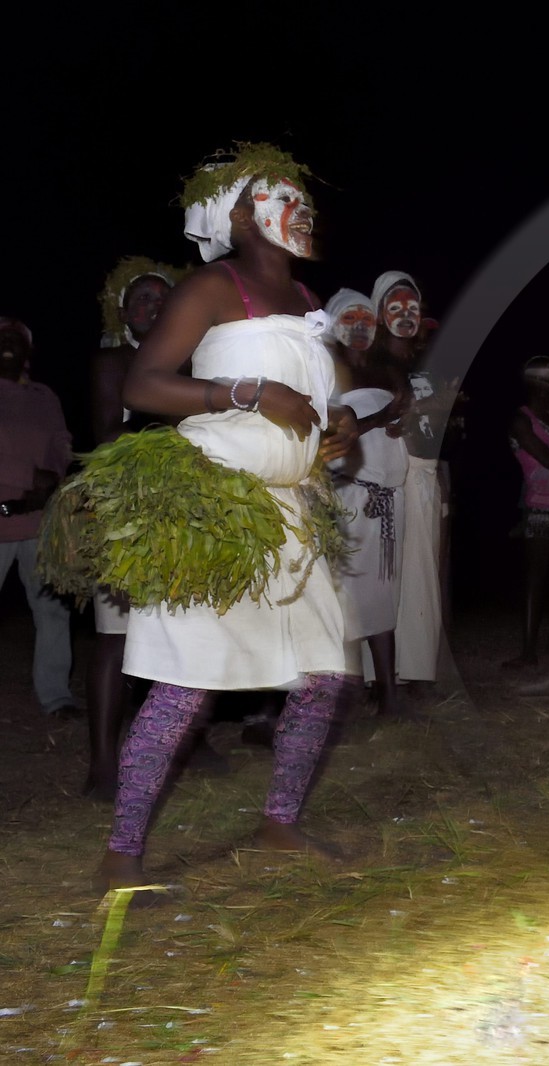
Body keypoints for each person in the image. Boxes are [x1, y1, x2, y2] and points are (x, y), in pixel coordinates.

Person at [94, 143, 359, 895]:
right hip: (218, 507)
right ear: (239, 214)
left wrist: (341, 428)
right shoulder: (214, 287)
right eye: (281, 195)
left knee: (320, 677)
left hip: (294, 512)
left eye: (305, 196)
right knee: (186, 682)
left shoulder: (310, 304)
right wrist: (247, 394)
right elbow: (145, 385)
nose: (300, 207)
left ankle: (280, 825)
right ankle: (122, 853)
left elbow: (323, 400)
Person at [84, 258, 200, 799]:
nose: (154, 306)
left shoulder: (192, 365)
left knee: (183, 625)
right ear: (125, 314)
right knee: (115, 633)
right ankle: (104, 761)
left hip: (181, 500)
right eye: (143, 300)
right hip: (128, 499)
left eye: (162, 298)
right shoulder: (116, 361)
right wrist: (177, 412)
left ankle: (184, 744)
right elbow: (109, 431)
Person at [326, 286, 410, 717]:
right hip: (348, 495)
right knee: (345, 597)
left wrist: (403, 416)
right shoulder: (328, 369)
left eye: (366, 320)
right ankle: (344, 696)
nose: (359, 327)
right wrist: (382, 418)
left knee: (382, 593)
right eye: (350, 319)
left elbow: (402, 409)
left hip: (390, 498)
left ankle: (390, 696)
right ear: (334, 324)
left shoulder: (387, 368)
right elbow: (335, 432)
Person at [0, 316, 78, 721]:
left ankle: (56, 695)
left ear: (29, 349)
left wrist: (58, 478)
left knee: (51, 610)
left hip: (39, 523)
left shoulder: (44, 396)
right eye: (0, 337)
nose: (7, 342)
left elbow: (61, 445)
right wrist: (24, 484)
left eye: (16, 337)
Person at [370, 270, 445, 695]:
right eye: (395, 308)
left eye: (412, 308)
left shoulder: (423, 366)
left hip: (426, 473)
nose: (405, 315)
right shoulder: (375, 364)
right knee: (390, 575)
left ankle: (415, 668)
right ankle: (385, 676)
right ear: (379, 315)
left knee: (422, 573)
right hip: (394, 475)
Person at [506, 356, 549, 670]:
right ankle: (528, 650)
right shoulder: (522, 418)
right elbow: (546, 458)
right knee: (536, 580)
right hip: (539, 507)